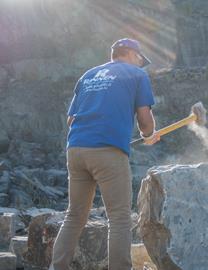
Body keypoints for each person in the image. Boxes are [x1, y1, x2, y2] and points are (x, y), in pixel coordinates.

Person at [50, 38, 161, 270]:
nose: (141, 64)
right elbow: (145, 122)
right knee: (119, 218)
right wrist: (149, 133)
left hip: (76, 150)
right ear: (131, 54)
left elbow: (72, 120)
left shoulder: (88, 75)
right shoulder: (136, 75)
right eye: (140, 59)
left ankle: (56, 267)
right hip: (108, 152)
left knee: (74, 216)